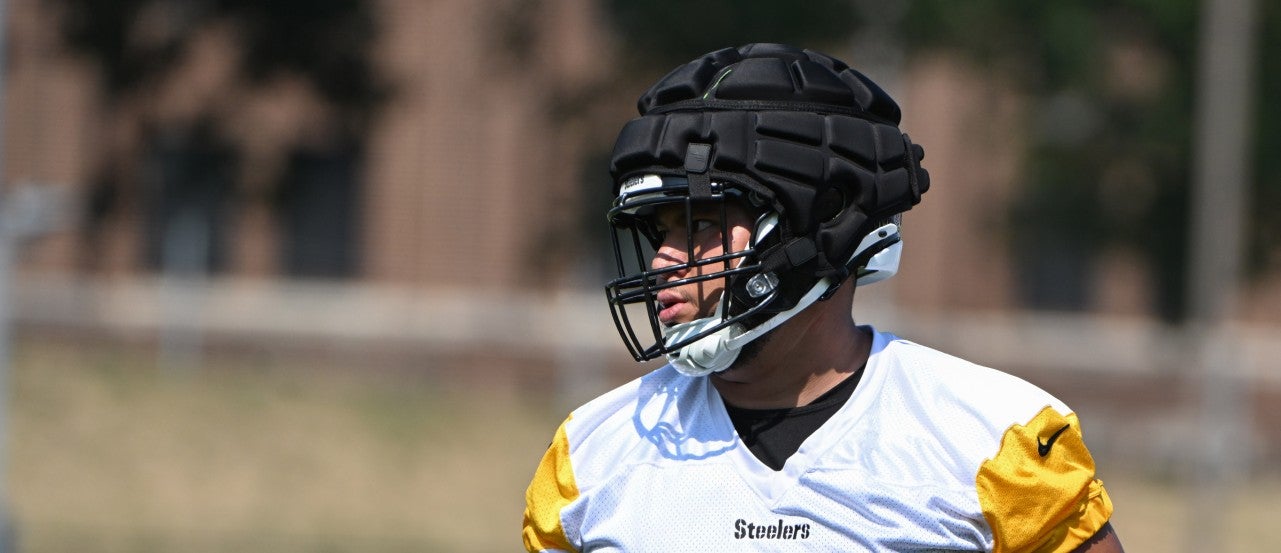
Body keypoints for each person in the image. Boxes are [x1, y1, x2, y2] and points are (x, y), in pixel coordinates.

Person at [523, 43, 1122, 552]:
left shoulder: (992, 442)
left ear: (821, 224)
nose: (663, 261)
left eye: (701, 223)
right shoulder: (591, 457)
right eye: (660, 232)